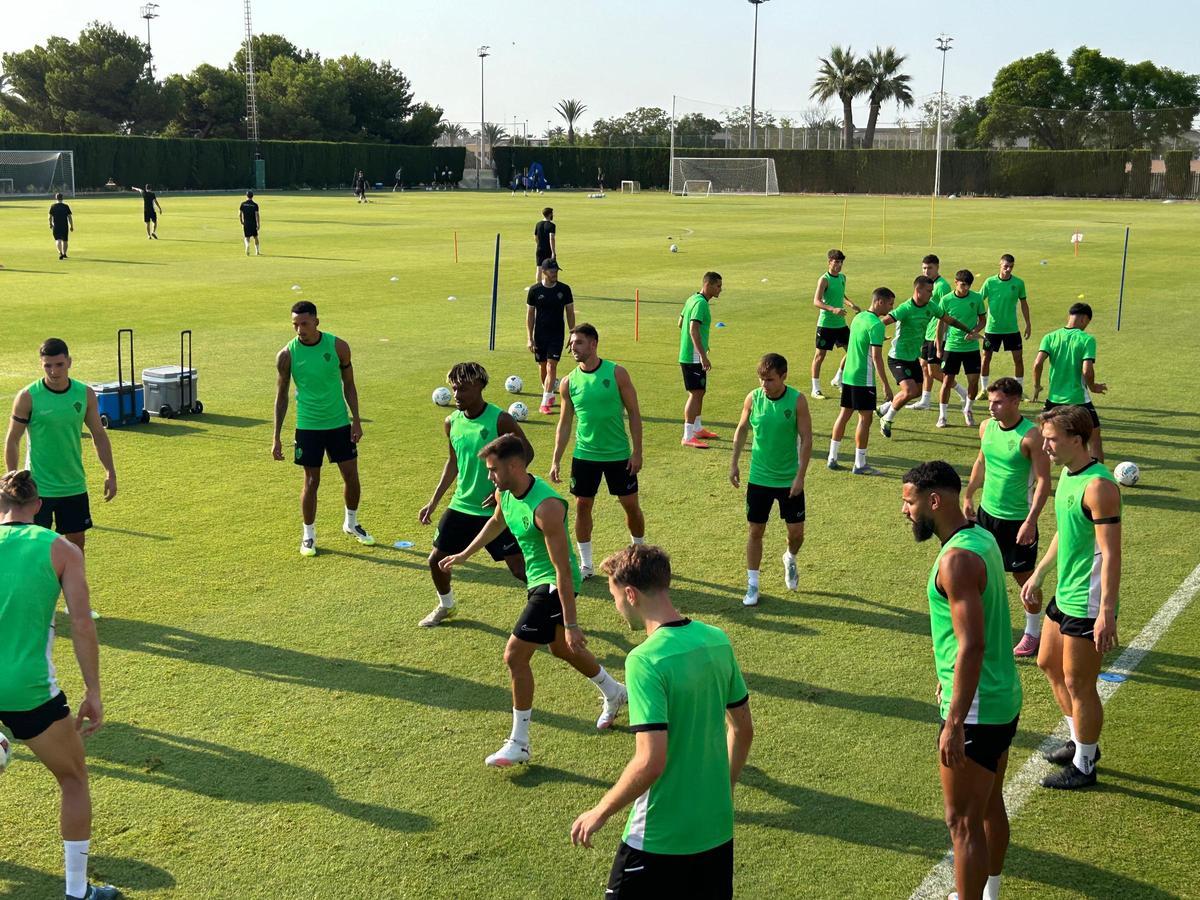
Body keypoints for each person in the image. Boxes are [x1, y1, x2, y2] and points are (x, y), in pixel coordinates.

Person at [571, 544, 753, 900]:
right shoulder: (716, 640)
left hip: (658, 838)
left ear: (630, 593)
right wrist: (723, 791)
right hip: (715, 830)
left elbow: (651, 760)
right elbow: (743, 729)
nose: (616, 606)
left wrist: (601, 811)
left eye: (614, 597)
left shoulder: (645, 660)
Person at [439, 434, 628, 767]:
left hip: (553, 583)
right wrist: (465, 554)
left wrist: (571, 623)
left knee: (514, 656)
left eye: (493, 470)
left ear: (514, 465)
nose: (489, 476)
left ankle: (519, 743)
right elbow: (497, 522)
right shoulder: (504, 492)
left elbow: (563, 571)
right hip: (536, 581)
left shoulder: (548, 507)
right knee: (559, 648)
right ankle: (615, 693)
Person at [901, 460, 1022, 900]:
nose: (905, 511)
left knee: (962, 822)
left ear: (934, 500)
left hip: (975, 709)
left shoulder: (955, 561)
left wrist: (954, 719)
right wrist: (947, 677)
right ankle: (990, 892)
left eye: (909, 501)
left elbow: (971, 644)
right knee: (990, 803)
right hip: (1001, 696)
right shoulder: (981, 537)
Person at [0, 469, 120, 900]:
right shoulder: (62, 550)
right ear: (37, 506)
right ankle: (76, 892)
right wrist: (93, 692)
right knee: (72, 778)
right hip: (28, 690)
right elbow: (83, 625)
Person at [1021, 405, 1121, 790]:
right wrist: (1040, 573)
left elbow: (1111, 553)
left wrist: (1106, 613)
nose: (1044, 446)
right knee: (1047, 663)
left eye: (1051, 439)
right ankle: (1079, 741)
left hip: (1087, 601)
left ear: (1076, 440)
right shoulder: (1068, 474)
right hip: (1064, 593)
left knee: (1080, 684)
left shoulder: (1099, 487)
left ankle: (1085, 764)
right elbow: (1066, 531)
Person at [5, 338, 117, 619]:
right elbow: (13, 439)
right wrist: (12, 475)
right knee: (36, 549)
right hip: (38, 489)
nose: (54, 371)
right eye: (48, 366)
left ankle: (74, 603)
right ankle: (38, 606)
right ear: (41, 364)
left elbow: (98, 435)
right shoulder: (28, 396)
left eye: (59, 364)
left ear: (69, 361)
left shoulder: (85, 394)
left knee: (76, 546)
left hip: (73, 485)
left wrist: (110, 471)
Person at [417, 362, 531, 627]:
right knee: (436, 560)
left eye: (463, 389)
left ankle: (549, 606)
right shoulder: (451, 422)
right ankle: (447, 605)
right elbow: (453, 462)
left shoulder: (500, 419)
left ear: (480, 386)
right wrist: (433, 502)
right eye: (454, 389)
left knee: (518, 568)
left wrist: (501, 487)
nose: (456, 395)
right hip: (462, 506)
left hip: (496, 510)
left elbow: (527, 453)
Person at [271, 301, 374, 557]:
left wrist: (356, 420)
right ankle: (309, 535)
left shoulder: (338, 347)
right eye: (295, 324)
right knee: (311, 480)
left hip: (339, 423)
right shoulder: (287, 355)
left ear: (317, 321)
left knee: (351, 475)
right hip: (308, 426)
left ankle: (351, 523)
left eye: (304, 323)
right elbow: (281, 396)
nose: (299, 329)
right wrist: (276, 437)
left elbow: (349, 385)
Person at [962, 377, 1052, 658]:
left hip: (1017, 521)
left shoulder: (1031, 436)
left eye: (998, 402)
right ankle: (988, 629)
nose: (992, 407)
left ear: (1015, 401)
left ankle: (1033, 632)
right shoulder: (986, 427)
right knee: (982, 574)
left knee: (1025, 580)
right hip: (986, 515)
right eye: (990, 401)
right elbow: (981, 461)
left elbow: (1044, 482)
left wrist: (1031, 521)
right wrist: (968, 495)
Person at [550, 324, 646, 578]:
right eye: (571, 344)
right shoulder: (569, 382)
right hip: (585, 455)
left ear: (594, 344)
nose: (573, 348)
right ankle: (586, 564)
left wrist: (637, 452)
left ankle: (640, 554)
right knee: (582, 506)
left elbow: (634, 414)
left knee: (630, 506)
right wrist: (556, 459)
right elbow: (565, 422)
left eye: (579, 343)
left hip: (618, 455)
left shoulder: (617, 373)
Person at [730, 353, 812, 607]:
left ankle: (790, 557)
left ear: (783, 377)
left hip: (789, 479)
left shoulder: (797, 401)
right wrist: (733, 463)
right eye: (761, 379)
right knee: (756, 531)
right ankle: (752, 585)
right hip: (759, 478)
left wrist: (800, 477)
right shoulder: (753, 399)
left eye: (770, 380)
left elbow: (807, 439)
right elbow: (743, 428)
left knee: (796, 533)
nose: (764, 385)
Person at [878, 276, 977, 438]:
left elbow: (949, 320)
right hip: (898, 357)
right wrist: (875, 334)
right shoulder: (905, 308)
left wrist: (969, 330)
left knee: (916, 392)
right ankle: (887, 420)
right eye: (929, 291)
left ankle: (885, 407)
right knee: (909, 390)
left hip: (913, 357)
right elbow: (883, 322)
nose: (932, 294)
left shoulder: (931, 307)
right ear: (918, 291)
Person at [827, 287, 894, 475]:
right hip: (864, 378)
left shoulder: (859, 318)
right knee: (865, 418)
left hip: (849, 375)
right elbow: (876, 358)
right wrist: (886, 385)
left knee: (844, 415)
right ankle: (860, 463)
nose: (891, 308)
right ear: (879, 302)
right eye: (890, 303)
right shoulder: (877, 325)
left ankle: (832, 457)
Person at [1032, 303, 1106, 461]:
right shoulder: (1087, 339)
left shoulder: (1050, 337)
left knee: (1042, 441)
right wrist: (1093, 387)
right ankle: (1098, 478)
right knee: (1094, 440)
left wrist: (1037, 386)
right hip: (1078, 400)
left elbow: (1037, 364)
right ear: (1084, 319)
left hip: (1053, 400)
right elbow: (1087, 370)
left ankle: (1034, 480)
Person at [917, 254, 969, 410]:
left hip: (936, 334)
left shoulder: (942, 286)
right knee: (924, 366)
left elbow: (945, 314)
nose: (926, 271)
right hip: (926, 332)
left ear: (937, 267)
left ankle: (963, 392)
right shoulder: (925, 284)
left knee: (934, 371)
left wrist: (941, 337)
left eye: (930, 268)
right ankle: (925, 400)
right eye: (924, 268)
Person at [678, 272, 723, 449]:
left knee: (700, 391)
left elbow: (680, 322)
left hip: (690, 353)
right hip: (693, 357)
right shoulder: (701, 304)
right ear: (708, 285)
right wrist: (702, 355)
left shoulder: (692, 299)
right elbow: (692, 329)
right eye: (718, 286)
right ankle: (688, 435)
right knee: (695, 393)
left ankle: (697, 428)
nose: (721, 289)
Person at [936, 271, 987, 429]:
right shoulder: (946, 300)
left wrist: (974, 331)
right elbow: (941, 325)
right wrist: (939, 346)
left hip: (971, 348)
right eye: (963, 285)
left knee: (973, 381)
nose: (965, 288)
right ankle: (943, 415)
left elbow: (982, 320)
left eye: (968, 285)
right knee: (947, 382)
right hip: (952, 347)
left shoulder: (977, 298)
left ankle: (968, 409)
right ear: (956, 282)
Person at [525, 259, 576, 414]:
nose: (555, 274)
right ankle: (549, 393)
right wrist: (529, 337)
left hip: (557, 334)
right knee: (542, 366)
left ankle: (545, 402)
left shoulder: (564, 289)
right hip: (540, 334)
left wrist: (572, 332)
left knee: (551, 365)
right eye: (552, 271)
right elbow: (530, 315)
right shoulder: (534, 291)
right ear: (544, 272)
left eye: (556, 271)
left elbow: (569, 312)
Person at [810, 249, 862, 400]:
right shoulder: (824, 279)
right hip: (826, 324)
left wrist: (851, 304)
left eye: (841, 262)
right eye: (836, 262)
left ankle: (838, 378)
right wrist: (833, 309)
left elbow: (840, 294)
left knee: (852, 352)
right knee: (820, 355)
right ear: (829, 262)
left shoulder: (842, 278)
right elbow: (816, 301)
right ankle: (816, 388)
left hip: (841, 324)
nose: (839, 265)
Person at [978, 255, 1031, 396]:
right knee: (986, 358)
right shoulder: (990, 282)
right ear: (1000, 265)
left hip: (1011, 329)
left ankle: (1019, 391)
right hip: (992, 328)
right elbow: (978, 300)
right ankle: (983, 389)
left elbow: (1024, 304)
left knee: (1018, 359)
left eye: (1011, 267)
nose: (1008, 269)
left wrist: (1028, 323)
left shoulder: (1018, 283)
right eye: (1006, 266)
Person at [534, 207, 556, 280]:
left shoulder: (538, 224)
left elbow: (535, 237)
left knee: (539, 268)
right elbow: (551, 238)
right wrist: (553, 252)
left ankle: (538, 285)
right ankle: (546, 285)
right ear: (550, 214)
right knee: (548, 269)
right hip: (548, 249)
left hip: (539, 249)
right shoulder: (552, 225)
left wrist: (539, 245)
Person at [49, 192, 73, 260]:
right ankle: (64, 253)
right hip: (64, 225)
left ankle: (60, 252)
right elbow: (69, 217)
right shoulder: (66, 206)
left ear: (56, 198)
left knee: (58, 240)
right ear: (62, 198)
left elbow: (50, 217)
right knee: (65, 240)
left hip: (56, 225)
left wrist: (50, 224)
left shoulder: (53, 206)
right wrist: (71, 226)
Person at [239, 191, 261, 256]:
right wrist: (258, 224)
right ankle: (257, 251)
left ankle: (247, 245)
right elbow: (257, 215)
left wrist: (241, 221)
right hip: (253, 223)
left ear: (246, 196)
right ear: (252, 196)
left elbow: (239, 214)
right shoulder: (255, 205)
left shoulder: (243, 204)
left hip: (246, 223)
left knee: (246, 237)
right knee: (255, 237)